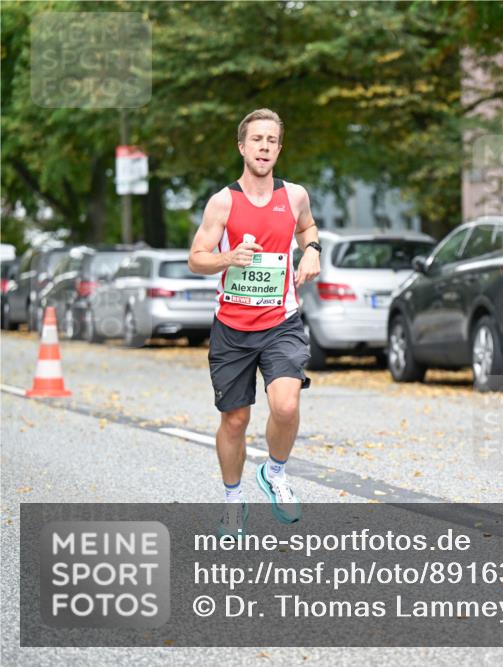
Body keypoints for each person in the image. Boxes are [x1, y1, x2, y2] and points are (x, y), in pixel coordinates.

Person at [188, 108, 321, 535]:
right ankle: (233, 501)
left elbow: (307, 228)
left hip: (281, 322)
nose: (264, 147)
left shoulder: (294, 196)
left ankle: (274, 472)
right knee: (235, 420)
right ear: (242, 147)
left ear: (279, 149)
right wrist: (228, 257)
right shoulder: (223, 202)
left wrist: (312, 250)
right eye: (257, 140)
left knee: (286, 404)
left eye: (272, 140)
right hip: (232, 327)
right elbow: (196, 258)